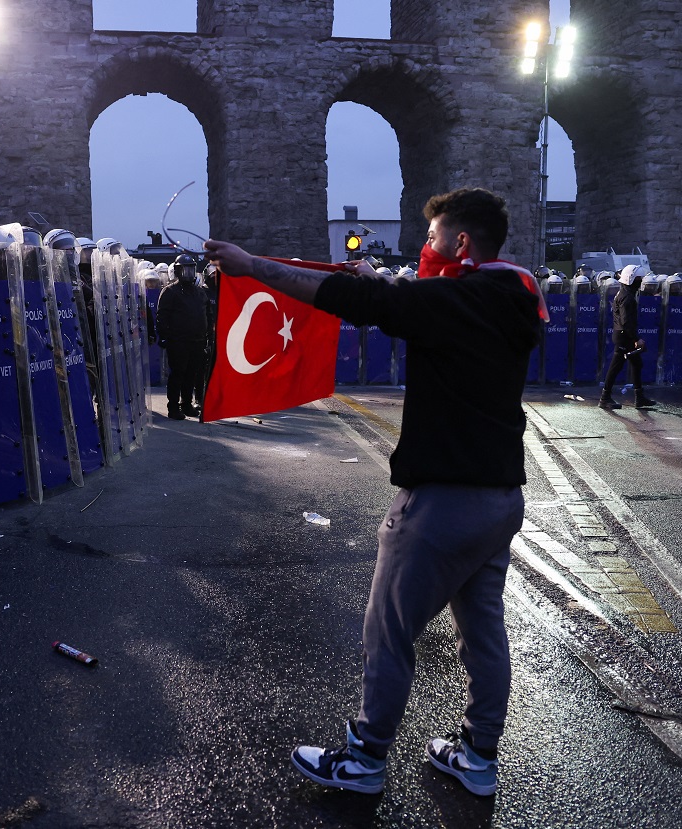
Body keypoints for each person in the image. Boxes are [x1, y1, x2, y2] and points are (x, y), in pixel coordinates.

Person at [204, 187, 545, 797]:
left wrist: (253, 266)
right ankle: (478, 756)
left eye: (435, 235)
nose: (427, 247)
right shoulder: (507, 297)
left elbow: (360, 302)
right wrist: (386, 285)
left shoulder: (457, 297)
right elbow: (414, 300)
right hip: (500, 498)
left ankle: (363, 759)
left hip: (442, 501)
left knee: (388, 629)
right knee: (484, 633)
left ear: (461, 243)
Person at [155, 253, 209, 420]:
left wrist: (208, 336)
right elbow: (161, 316)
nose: (188, 273)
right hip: (178, 341)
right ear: (177, 271)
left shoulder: (200, 292)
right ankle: (173, 407)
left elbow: (207, 314)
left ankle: (187, 404)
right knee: (178, 374)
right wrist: (164, 336)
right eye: (185, 270)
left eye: (191, 269)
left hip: (197, 340)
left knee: (191, 375)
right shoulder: (170, 291)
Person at [598, 264, 656, 411]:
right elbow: (626, 322)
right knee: (615, 367)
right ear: (630, 279)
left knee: (636, 364)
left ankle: (639, 397)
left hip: (623, 335)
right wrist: (637, 338)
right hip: (624, 336)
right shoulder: (627, 297)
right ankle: (605, 398)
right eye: (638, 278)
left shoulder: (624, 293)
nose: (641, 280)